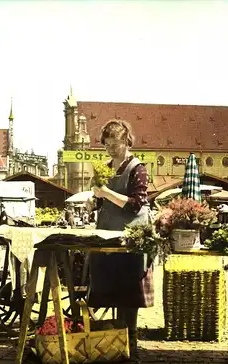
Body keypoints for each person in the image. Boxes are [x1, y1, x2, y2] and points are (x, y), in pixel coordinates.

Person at [89, 120, 153, 362]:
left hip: (130, 239)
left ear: (126, 141)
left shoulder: (138, 168)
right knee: (106, 288)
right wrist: (93, 200)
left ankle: (131, 347)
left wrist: (105, 193)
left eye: (115, 145)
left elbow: (136, 202)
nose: (111, 150)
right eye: (106, 146)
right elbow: (102, 202)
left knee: (128, 295)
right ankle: (111, 343)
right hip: (107, 235)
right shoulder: (104, 167)